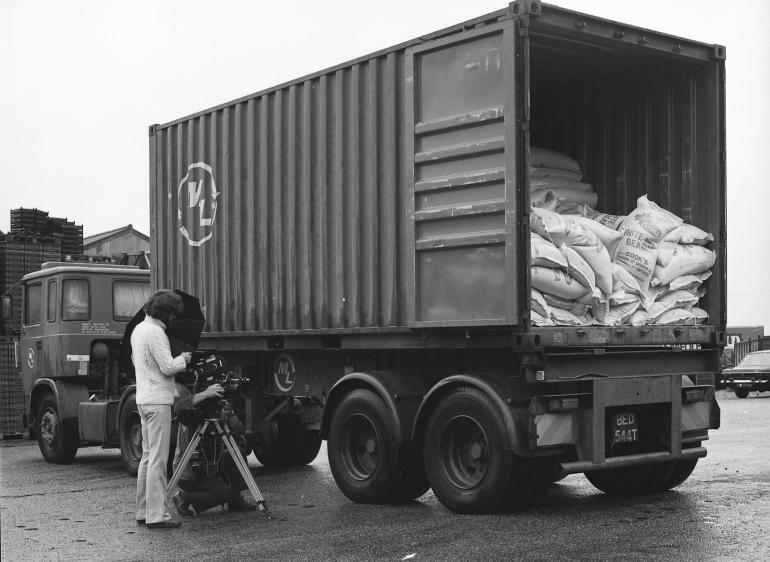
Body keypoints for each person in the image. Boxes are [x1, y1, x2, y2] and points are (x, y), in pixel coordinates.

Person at [132, 289, 192, 529]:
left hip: (143, 398)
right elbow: (168, 367)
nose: (174, 319)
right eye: (173, 315)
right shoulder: (157, 333)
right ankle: (157, 516)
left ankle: (143, 511)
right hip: (158, 401)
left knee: (147, 457)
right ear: (166, 313)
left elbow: (136, 362)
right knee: (159, 459)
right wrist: (185, 359)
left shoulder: (138, 330)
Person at [171, 383, 258, 516]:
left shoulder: (216, 411)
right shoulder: (191, 414)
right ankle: (184, 496)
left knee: (237, 452)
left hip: (211, 464)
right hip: (189, 473)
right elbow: (179, 407)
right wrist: (206, 394)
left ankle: (235, 500)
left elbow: (240, 431)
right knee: (224, 493)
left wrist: (230, 415)